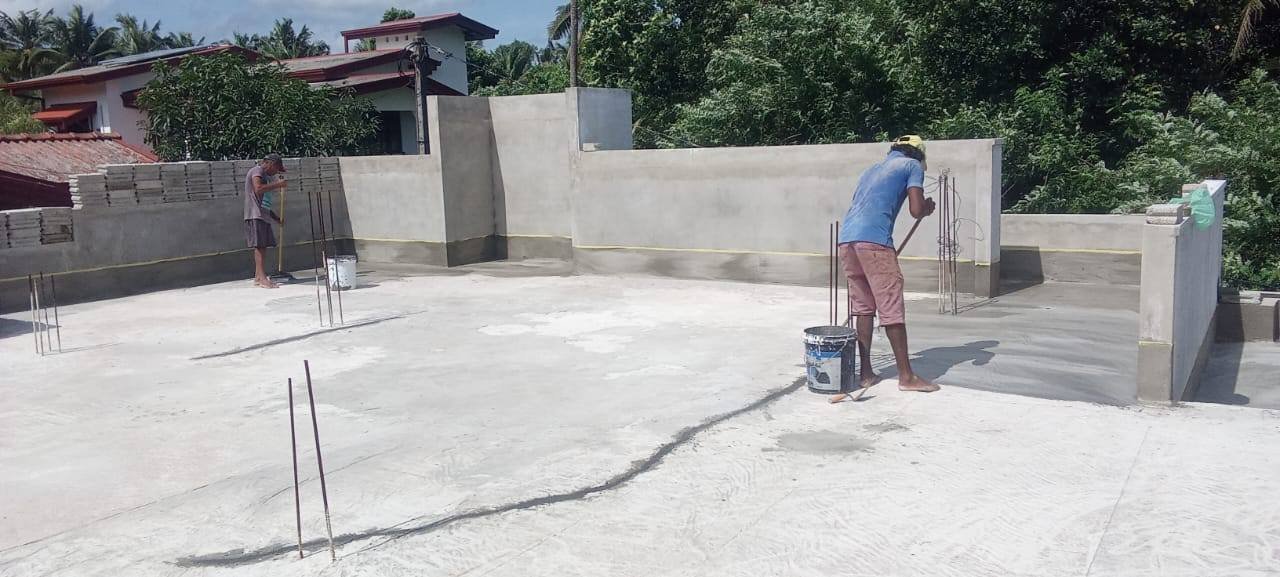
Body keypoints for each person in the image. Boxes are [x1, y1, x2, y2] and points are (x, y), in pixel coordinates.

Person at [837, 135, 939, 394]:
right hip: (875, 242)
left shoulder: (872, 169)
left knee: (863, 308)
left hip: (847, 240)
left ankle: (866, 373)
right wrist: (927, 208)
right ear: (918, 154)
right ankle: (906, 377)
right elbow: (916, 209)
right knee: (891, 305)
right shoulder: (911, 166)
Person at [244, 153, 287, 288]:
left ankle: (258, 277)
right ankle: (262, 279)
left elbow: (264, 204)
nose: (276, 172)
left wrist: (275, 218)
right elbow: (258, 189)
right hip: (255, 214)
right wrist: (278, 184)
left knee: (262, 247)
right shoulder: (257, 171)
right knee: (260, 246)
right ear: (270, 164)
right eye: (277, 169)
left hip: (262, 215)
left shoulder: (266, 178)